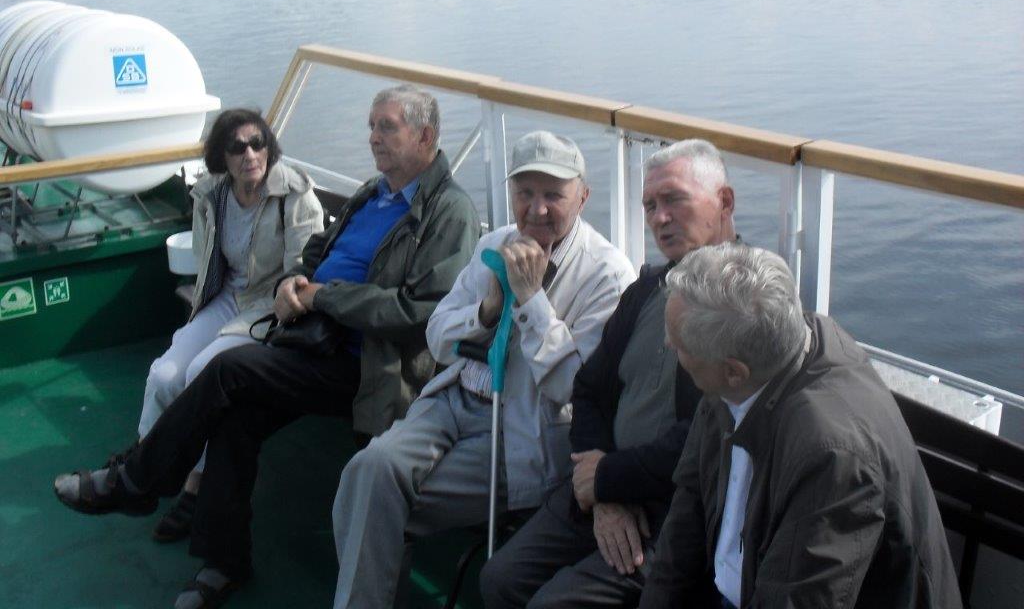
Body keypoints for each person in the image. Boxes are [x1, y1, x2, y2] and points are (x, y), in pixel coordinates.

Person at [54, 84, 481, 609]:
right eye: (371, 126)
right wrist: (293, 279)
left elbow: (421, 312)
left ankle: (136, 480)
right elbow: (319, 249)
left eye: (386, 127)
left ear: (425, 135)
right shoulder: (376, 192)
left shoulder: (449, 212)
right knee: (235, 418)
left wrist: (324, 296)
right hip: (314, 341)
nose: (372, 137)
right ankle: (222, 563)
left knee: (228, 371)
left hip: (369, 367)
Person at [332, 130, 637, 609]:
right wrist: (487, 310)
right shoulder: (495, 243)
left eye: (553, 195)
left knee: (366, 499)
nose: (537, 209)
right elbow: (439, 336)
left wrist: (532, 300)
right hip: (453, 401)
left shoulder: (608, 275)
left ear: (583, 197)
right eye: (525, 193)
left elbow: (572, 388)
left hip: (520, 426)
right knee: (369, 468)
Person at [481, 139, 737, 609]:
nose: (659, 218)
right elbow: (589, 390)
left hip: (674, 511)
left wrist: (607, 479)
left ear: (724, 201)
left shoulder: (744, 302)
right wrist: (601, 491)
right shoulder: (648, 289)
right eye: (650, 205)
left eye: (674, 200)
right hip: (603, 485)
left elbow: (707, 438)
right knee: (501, 578)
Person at [640, 242, 961, 609]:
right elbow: (689, 510)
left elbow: (795, 598)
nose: (668, 344)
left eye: (680, 345)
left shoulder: (831, 456)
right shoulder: (749, 364)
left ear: (733, 372)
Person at [138, 108, 324, 544]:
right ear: (221, 156)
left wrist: (283, 300)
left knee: (200, 373)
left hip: (267, 305)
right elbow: (206, 258)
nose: (250, 155)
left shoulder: (294, 195)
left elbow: (304, 271)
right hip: (224, 298)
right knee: (165, 374)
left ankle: (195, 486)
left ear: (269, 147)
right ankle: (146, 466)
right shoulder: (213, 194)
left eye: (257, 143)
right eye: (237, 147)